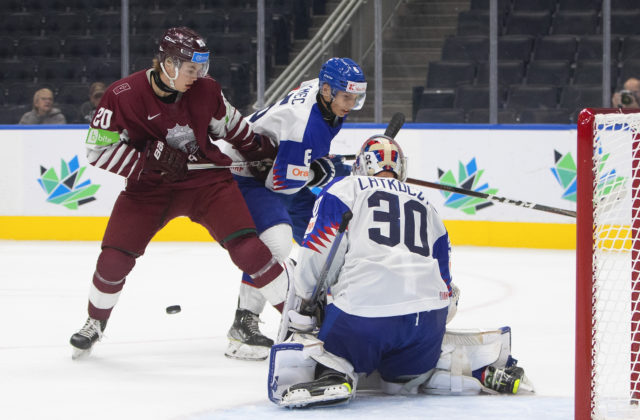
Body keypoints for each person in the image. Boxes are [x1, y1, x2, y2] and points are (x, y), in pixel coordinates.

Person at [69, 27, 290, 359]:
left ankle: (300, 323)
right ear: (168, 64)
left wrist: (262, 152)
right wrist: (146, 165)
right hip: (149, 190)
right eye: (191, 68)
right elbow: (97, 151)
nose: (198, 75)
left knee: (249, 249)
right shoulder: (121, 94)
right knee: (113, 260)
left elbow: (234, 127)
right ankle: (94, 322)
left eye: (202, 68)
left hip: (207, 185)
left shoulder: (207, 90)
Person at [267, 135, 530, 408]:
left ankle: (334, 373)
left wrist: (308, 303)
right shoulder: (428, 205)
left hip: (363, 318)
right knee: (399, 383)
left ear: (360, 165)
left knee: (332, 350)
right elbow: (446, 283)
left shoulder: (344, 188)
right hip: (425, 325)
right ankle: (468, 371)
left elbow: (317, 252)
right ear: (401, 168)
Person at [220, 57, 366, 361]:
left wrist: (310, 165)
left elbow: (292, 157)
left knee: (331, 230)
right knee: (276, 242)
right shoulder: (304, 125)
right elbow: (279, 184)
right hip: (246, 174)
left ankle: (338, 301)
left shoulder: (321, 93)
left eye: (355, 97)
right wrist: (314, 172)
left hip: (279, 165)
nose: (350, 105)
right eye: (346, 97)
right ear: (327, 90)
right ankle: (243, 323)